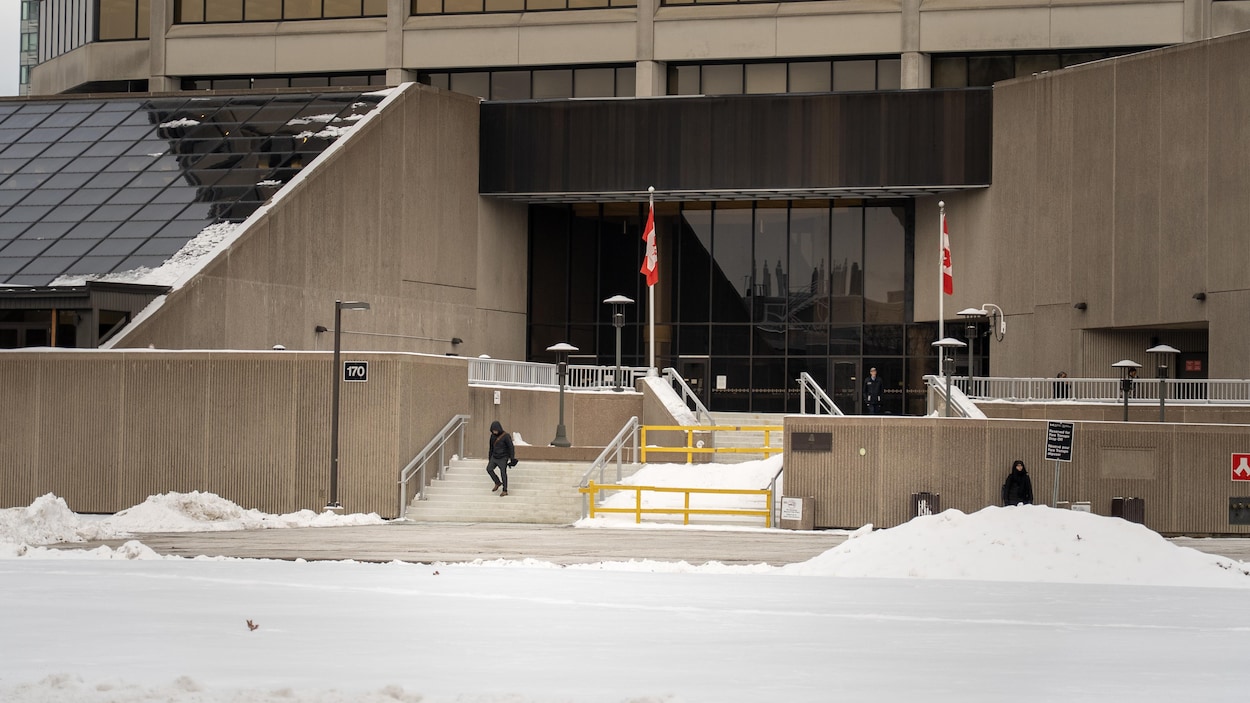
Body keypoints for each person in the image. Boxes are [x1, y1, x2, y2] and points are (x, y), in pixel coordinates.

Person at [485, 420, 517, 497]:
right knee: (489, 469)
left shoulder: (506, 436)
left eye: (495, 430)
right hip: (494, 456)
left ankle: (505, 490)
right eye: (493, 430)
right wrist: (490, 458)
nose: (494, 432)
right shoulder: (492, 436)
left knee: (503, 473)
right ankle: (497, 482)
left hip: (503, 457)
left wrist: (512, 458)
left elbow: (511, 447)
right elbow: (491, 448)